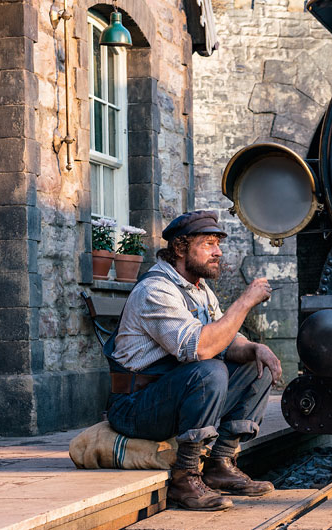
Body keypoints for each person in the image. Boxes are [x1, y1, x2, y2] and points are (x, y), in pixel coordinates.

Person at [105, 210, 283, 512]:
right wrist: (244, 301)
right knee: (208, 369)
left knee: (256, 365)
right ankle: (185, 477)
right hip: (135, 405)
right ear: (180, 248)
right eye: (208, 244)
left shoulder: (201, 291)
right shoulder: (156, 290)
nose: (218, 252)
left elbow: (227, 340)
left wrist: (255, 348)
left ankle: (220, 465)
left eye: (218, 244)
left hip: (174, 397)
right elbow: (200, 349)